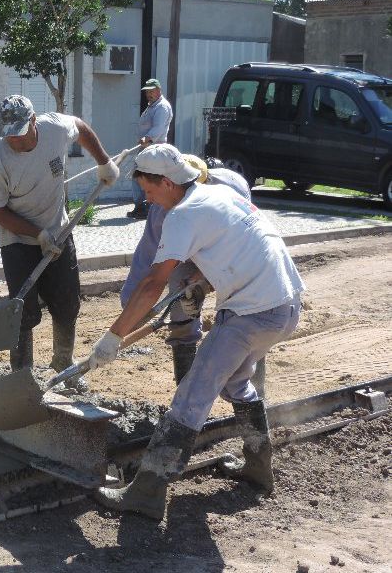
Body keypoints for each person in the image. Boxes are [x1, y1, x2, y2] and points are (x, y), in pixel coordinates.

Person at [88, 143, 304, 520]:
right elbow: (243, 246)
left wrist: (114, 336)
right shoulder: (218, 194)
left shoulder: (184, 215)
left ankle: (147, 491)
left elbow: (153, 283)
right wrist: (201, 281)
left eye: (151, 192)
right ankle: (258, 463)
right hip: (286, 304)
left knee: (191, 398)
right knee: (236, 381)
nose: (150, 201)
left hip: (251, 312)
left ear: (169, 182)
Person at [0, 94, 121, 392]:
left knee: (67, 304)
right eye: (9, 135)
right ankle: (21, 378)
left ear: (34, 121)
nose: (15, 142)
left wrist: (104, 162)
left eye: (20, 133)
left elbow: (81, 128)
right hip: (18, 241)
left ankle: (64, 367)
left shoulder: (55, 128)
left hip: (59, 233)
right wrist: (37, 235)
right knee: (22, 312)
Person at [120, 150, 251, 386]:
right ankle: (185, 387)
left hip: (230, 250)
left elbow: (240, 246)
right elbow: (147, 261)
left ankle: (254, 390)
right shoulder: (162, 212)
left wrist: (205, 280)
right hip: (186, 254)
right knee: (182, 308)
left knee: (246, 320)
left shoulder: (232, 189)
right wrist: (132, 310)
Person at [128, 78, 173, 220]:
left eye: (152, 91)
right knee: (138, 176)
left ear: (159, 90)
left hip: (154, 148)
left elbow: (158, 128)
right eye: (147, 92)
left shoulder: (162, 107)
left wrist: (147, 138)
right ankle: (141, 206)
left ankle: (146, 206)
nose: (149, 94)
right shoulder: (152, 105)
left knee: (145, 177)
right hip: (146, 148)